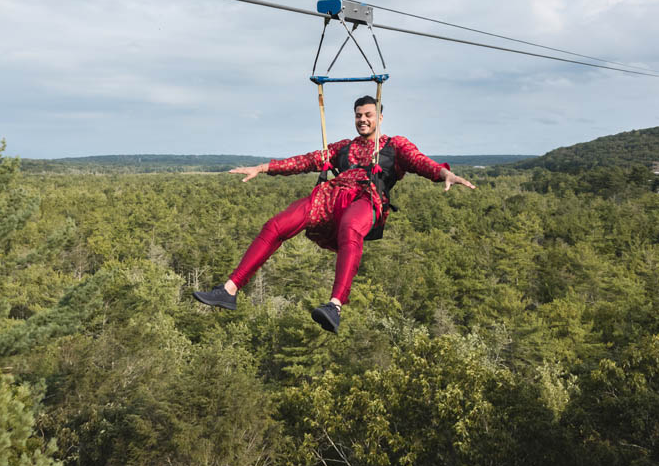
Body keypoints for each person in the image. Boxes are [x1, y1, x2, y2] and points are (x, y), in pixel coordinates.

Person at [193, 95, 475, 333]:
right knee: (277, 225)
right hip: (330, 196)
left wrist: (444, 173)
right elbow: (305, 161)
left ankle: (335, 305)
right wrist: (263, 168)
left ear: (379, 118)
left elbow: (420, 162)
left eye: (368, 115)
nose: (362, 120)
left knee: (351, 227)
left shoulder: (394, 146)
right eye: (358, 115)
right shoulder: (343, 147)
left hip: (367, 198)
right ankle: (229, 290)